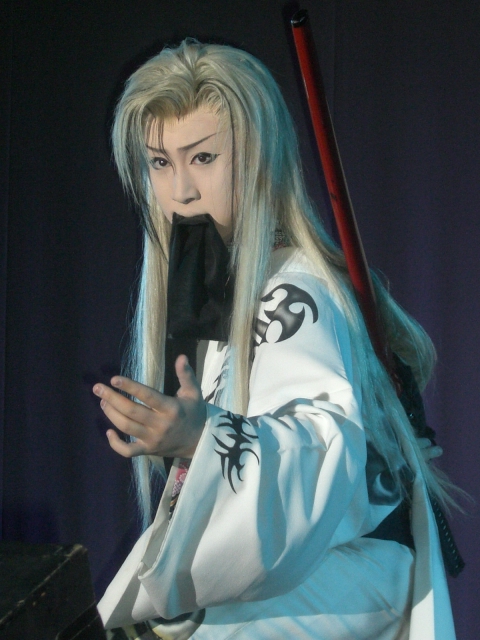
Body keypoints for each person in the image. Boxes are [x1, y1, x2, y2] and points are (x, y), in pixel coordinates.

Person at [94, 39, 456, 639]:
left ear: (259, 159)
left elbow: (323, 444)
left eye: (203, 157)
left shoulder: (295, 287)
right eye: (160, 162)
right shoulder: (222, 284)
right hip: (295, 577)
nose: (180, 190)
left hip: (341, 574)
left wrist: (202, 436)